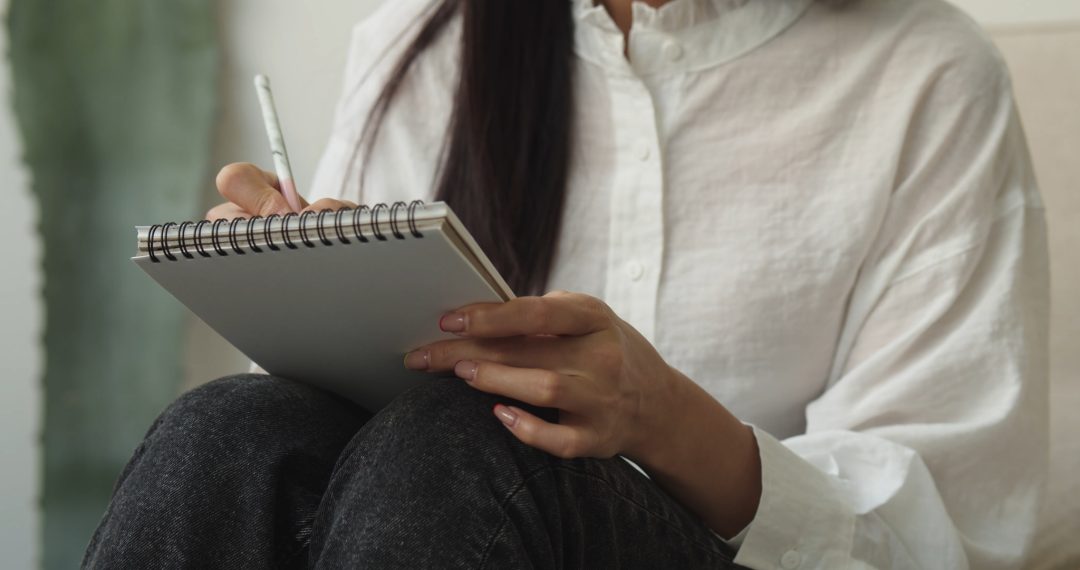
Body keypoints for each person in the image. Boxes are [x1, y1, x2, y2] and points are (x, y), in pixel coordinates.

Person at [84, 0, 1049, 567]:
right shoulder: (424, 39)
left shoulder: (925, 75)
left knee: (460, 439)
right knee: (228, 428)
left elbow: (946, 532)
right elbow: (328, 420)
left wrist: (665, 418)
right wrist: (305, 280)